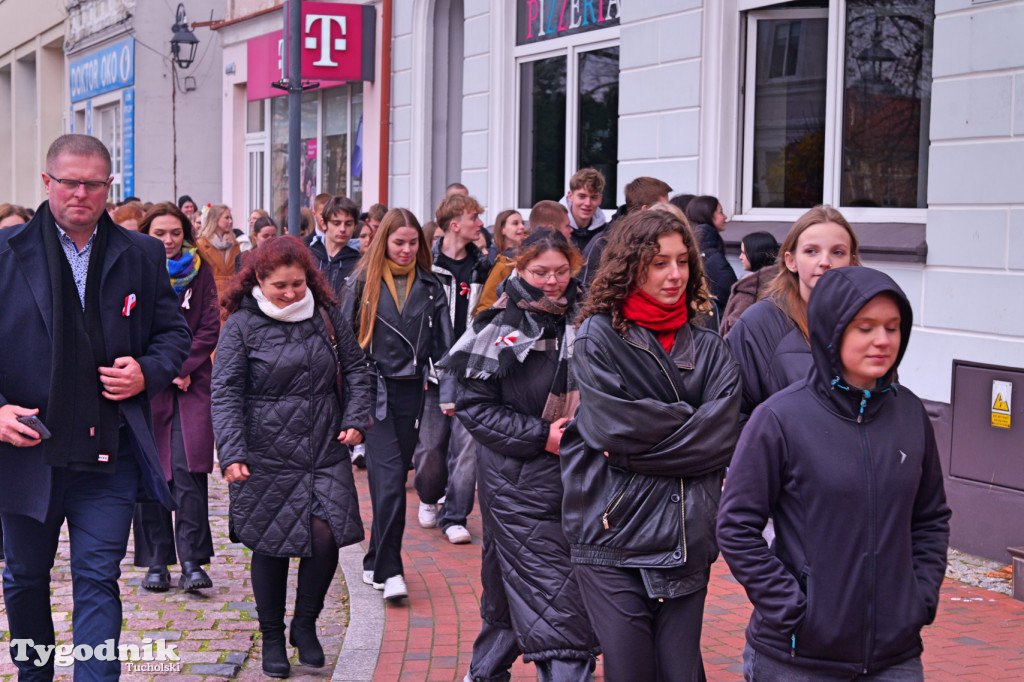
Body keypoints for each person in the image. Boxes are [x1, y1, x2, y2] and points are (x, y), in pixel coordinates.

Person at [0, 134, 191, 679]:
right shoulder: (5, 253)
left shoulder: (143, 253)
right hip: (27, 452)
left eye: (93, 184)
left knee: (97, 579)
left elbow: (172, 336)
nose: (80, 193)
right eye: (69, 182)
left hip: (109, 452)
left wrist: (148, 372)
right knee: (26, 578)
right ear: (47, 183)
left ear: (110, 187)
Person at [717, 267, 951, 681]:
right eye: (866, 328)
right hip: (799, 658)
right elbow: (736, 527)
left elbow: (930, 518)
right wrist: (794, 610)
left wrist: (919, 599)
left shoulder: (911, 415)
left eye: (893, 328)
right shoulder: (780, 418)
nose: (883, 340)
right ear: (832, 330)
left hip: (893, 658)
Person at [561, 208, 741, 681]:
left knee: (682, 673)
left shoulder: (708, 341)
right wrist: (693, 421)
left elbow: (724, 434)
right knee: (631, 671)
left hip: (686, 535)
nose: (675, 274)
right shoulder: (598, 335)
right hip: (610, 532)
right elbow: (609, 427)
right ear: (631, 265)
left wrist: (637, 447)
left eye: (683, 261)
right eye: (659, 262)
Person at [441, 230, 600, 681]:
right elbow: (474, 408)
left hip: (583, 473)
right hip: (516, 480)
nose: (552, 281)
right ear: (519, 270)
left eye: (561, 271)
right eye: (540, 272)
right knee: (558, 594)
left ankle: (484, 672)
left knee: (518, 587)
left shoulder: (591, 320)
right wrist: (539, 436)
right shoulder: (497, 326)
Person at [212, 235, 372, 677]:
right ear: (260, 280)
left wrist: (357, 416)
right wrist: (232, 452)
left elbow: (357, 368)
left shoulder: (325, 315)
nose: (290, 293)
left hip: (324, 448)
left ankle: (305, 625)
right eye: (281, 285)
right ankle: (271, 637)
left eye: (298, 284)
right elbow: (225, 393)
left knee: (326, 538)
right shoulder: (241, 326)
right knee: (271, 544)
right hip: (266, 453)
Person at [341, 208, 453, 602]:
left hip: (413, 392)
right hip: (373, 390)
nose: (406, 250)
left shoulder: (431, 286)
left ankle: (374, 559)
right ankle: (391, 571)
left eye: (412, 243)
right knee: (389, 485)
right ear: (383, 241)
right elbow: (344, 345)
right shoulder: (361, 283)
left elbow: (446, 346)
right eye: (398, 242)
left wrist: (452, 393)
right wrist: (349, 400)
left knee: (389, 482)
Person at [132, 203, 220, 594]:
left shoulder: (200, 272)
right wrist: (162, 369)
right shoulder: (132, 270)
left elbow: (208, 324)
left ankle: (191, 559)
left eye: (174, 233)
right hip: (148, 383)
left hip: (191, 383)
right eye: (159, 233)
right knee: (151, 472)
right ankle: (156, 559)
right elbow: (129, 328)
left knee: (187, 470)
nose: (168, 241)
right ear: (146, 234)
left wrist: (183, 368)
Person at [726, 206, 860, 426]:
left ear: (851, 262)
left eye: (837, 252)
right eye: (811, 251)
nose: (825, 261)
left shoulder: (866, 321)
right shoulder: (759, 322)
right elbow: (730, 414)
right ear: (791, 261)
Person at [415, 193, 492, 544]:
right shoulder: (426, 267)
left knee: (468, 449)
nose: (480, 223)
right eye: (474, 217)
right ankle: (429, 496)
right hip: (434, 371)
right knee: (431, 449)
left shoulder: (485, 267)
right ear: (454, 224)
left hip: (473, 372)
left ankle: (455, 515)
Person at [474, 200, 568, 316]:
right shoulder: (504, 262)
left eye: (561, 271)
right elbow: (486, 306)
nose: (522, 227)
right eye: (515, 223)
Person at [719, 231, 780, 337]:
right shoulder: (779, 284)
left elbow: (735, 332)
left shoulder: (749, 289)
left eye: (744, 252)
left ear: (755, 253)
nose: (740, 257)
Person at [685, 195, 738, 311]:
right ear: (708, 215)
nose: (725, 217)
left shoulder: (691, 246)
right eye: (721, 212)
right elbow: (734, 295)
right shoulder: (711, 256)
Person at [310, 195, 361, 298]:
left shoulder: (360, 264)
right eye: (336, 223)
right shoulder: (309, 256)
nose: (342, 229)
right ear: (324, 224)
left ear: (355, 226)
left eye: (348, 224)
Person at [559, 167, 608, 257]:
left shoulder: (606, 232)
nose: (587, 203)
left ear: (600, 199)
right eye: (582, 196)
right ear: (570, 196)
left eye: (593, 197)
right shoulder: (556, 229)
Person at [196, 203, 241, 299]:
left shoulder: (235, 244)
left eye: (231, 218)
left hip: (233, 295)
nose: (231, 221)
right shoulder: (202, 245)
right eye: (227, 218)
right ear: (215, 219)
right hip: (210, 295)